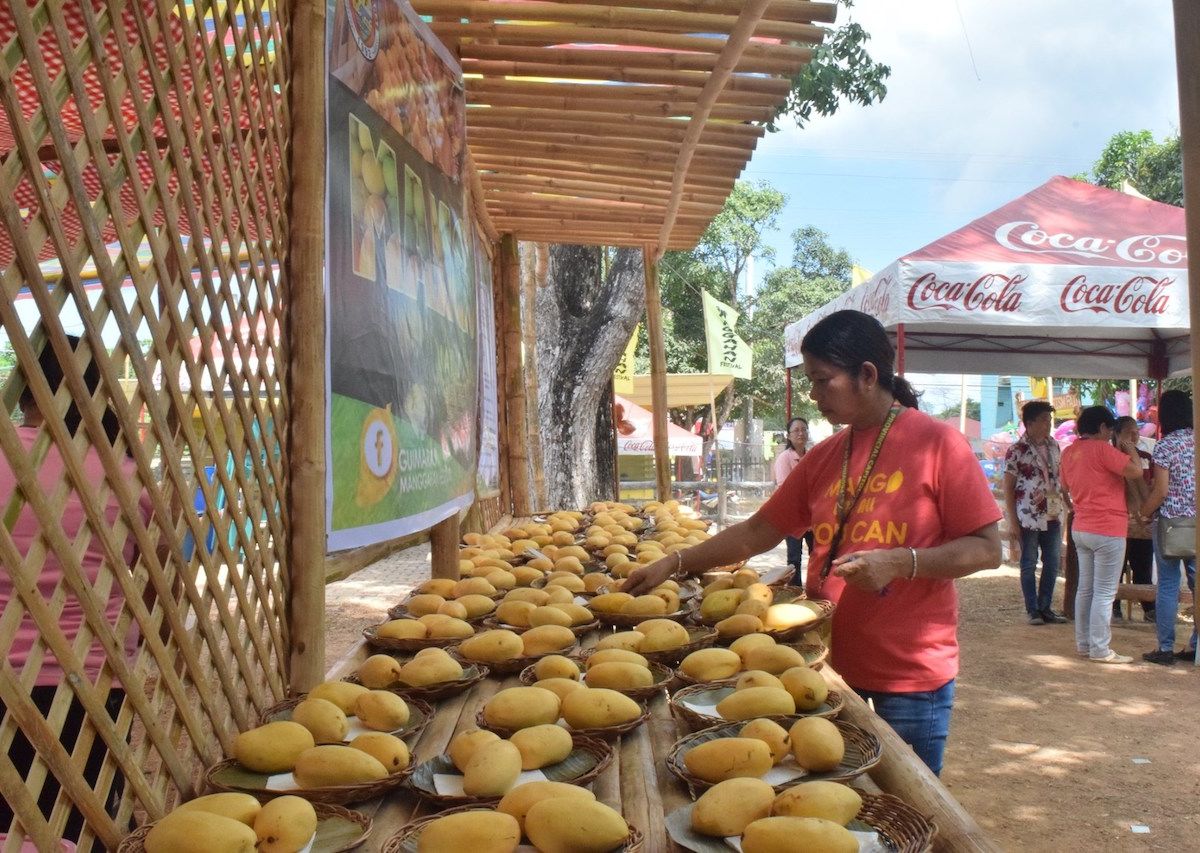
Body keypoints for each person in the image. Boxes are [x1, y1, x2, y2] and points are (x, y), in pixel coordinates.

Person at [625, 310, 1001, 775]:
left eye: (823, 381)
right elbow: (758, 531)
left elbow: (987, 548)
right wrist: (676, 561)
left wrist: (902, 562)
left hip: (911, 678)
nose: (813, 394)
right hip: (823, 668)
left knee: (913, 804)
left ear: (866, 375)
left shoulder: (939, 443)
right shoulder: (824, 456)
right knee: (835, 794)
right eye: (811, 381)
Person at [0, 336, 156, 840]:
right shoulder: (124, 475)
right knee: (84, 826)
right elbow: (148, 591)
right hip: (92, 683)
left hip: (5, 679)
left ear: (21, 384)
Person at [1059, 406, 1142, 664]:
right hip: (1108, 527)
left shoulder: (1069, 452)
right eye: (1109, 429)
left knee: (1086, 589)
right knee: (1105, 592)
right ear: (1104, 428)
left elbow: (1063, 488)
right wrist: (1130, 449)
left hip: (1082, 526)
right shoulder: (1103, 449)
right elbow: (1136, 471)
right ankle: (1100, 649)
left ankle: (1084, 644)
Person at [1139, 390, 1196, 666]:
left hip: (1170, 525)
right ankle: (1196, 646)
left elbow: (1160, 491)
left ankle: (1165, 648)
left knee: (1168, 586)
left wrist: (1143, 512)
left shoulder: (1164, 446)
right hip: (1197, 524)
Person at [1003, 401, 1069, 625]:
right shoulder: (1016, 450)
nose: (1048, 425)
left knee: (1052, 562)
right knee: (1029, 562)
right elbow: (1008, 487)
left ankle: (1046, 607)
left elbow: (1059, 478)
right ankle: (1032, 609)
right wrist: (1012, 521)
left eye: (1049, 421)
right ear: (1029, 423)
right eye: (1043, 420)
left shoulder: (1054, 446)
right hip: (1028, 515)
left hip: (1052, 513)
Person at [1112, 416, 1154, 623]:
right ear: (1117, 434)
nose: (1135, 435)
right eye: (1129, 432)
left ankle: (1149, 609)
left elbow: (1149, 489)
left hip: (1140, 522)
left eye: (1136, 431)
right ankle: (1114, 608)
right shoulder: (1111, 458)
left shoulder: (1146, 457)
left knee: (1143, 568)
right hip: (1118, 520)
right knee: (1116, 568)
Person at [773, 417, 814, 583]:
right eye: (796, 430)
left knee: (817, 554)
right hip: (793, 516)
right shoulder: (784, 458)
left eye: (804, 429)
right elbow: (784, 488)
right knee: (794, 559)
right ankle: (794, 593)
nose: (801, 433)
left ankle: (815, 590)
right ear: (788, 436)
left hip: (813, 516)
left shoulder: (812, 455)